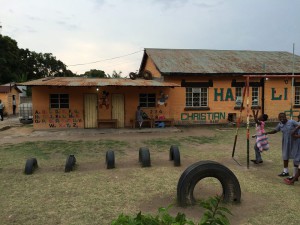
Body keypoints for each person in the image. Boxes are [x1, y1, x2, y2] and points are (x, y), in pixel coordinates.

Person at [265, 112, 300, 177]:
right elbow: (275, 130)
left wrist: (296, 132)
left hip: (295, 142)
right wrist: (267, 132)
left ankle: (295, 174)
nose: (281, 119)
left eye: (283, 117)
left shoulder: (292, 122)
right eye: (280, 117)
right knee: (285, 155)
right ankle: (285, 171)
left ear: (285, 117)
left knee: (296, 158)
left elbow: (299, 125)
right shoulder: (280, 124)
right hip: (286, 142)